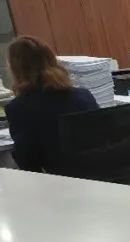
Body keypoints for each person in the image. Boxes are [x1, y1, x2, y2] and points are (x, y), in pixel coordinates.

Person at [6, 35, 98, 173]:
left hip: (58, 181)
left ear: (16, 69)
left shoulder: (19, 107)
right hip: (101, 177)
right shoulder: (83, 95)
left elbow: (27, 161)